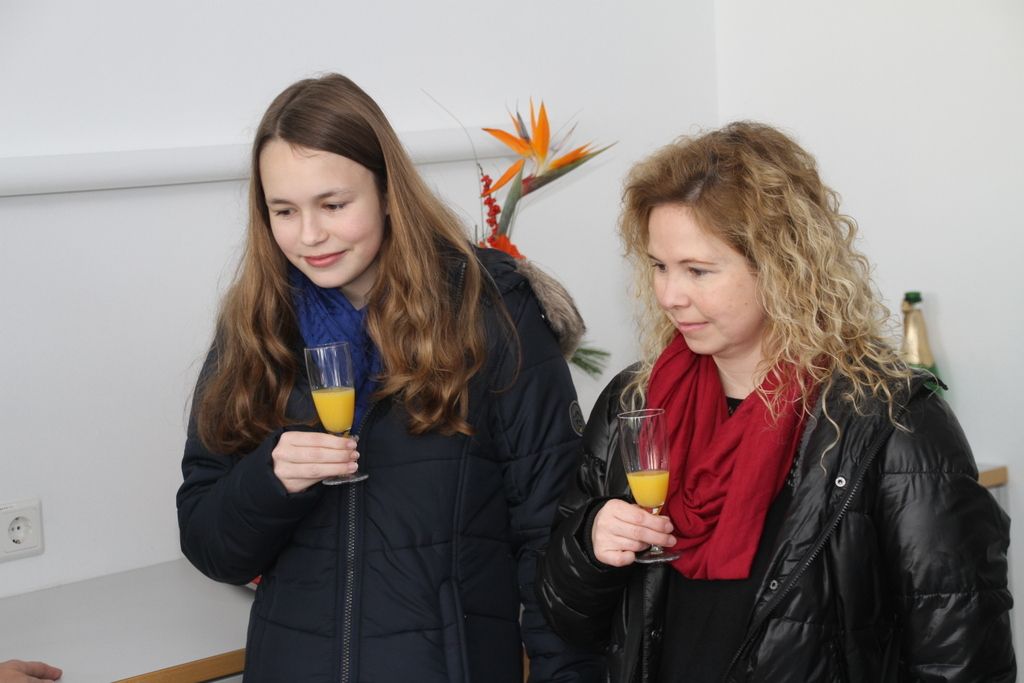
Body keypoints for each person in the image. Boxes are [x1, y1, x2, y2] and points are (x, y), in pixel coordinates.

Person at [536, 122, 1015, 682]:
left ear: (783, 268)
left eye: (697, 271)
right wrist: (590, 544)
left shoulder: (892, 419)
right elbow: (568, 618)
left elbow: (960, 657)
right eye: (659, 266)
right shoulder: (634, 402)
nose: (669, 295)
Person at [176, 73, 602, 682]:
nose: (309, 235)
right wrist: (270, 481)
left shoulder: (492, 310)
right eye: (284, 211)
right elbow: (209, 546)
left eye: (333, 205)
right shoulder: (256, 327)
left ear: (385, 191)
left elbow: (553, 539)